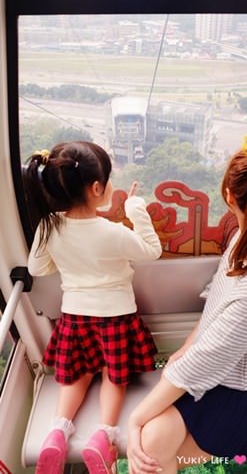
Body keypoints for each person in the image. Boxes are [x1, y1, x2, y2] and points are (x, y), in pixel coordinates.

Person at [127, 135, 247, 474]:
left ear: (228, 196)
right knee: (156, 444)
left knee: (151, 442)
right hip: (231, 375)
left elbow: (210, 358)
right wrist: (186, 347)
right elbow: (220, 306)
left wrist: (136, 418)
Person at [25, 140, 162, 474]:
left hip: (74, 318)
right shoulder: (112, 232)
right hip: (115, 318)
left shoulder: (49, 227)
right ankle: (102, 436)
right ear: (97, 187)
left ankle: (57, 431)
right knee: (114, 377)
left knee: (78, 374)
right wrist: (135, 209)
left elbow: (37, 269)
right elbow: (151, 250)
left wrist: (64, 255)